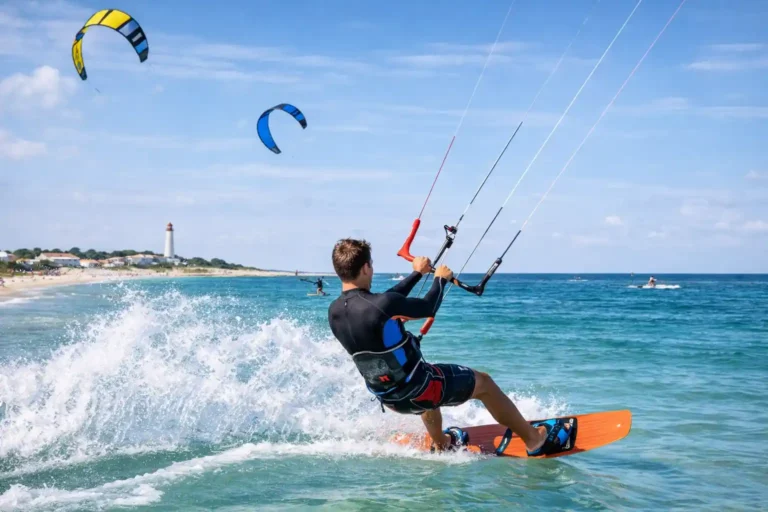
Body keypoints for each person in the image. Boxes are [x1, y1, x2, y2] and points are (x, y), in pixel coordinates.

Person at [327, 238, 567, 455]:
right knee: (484, 383)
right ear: (367, 267)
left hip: (390, 398)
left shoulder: (334, 312)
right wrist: (440, 279)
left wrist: (417, 274)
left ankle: (441, 443)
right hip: (419, 389)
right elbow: (424, 307)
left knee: (423, 379)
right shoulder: (383, 304)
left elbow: (381, 305)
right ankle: (534, 440)